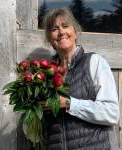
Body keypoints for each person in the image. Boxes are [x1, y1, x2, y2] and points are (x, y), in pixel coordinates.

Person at [41, 8, 120, 150]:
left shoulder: (94, 62)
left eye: (65, 26)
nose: (61, 32)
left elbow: (111, 113)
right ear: (50, 39)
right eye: (54, 29)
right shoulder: (46, 76)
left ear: (75, 32)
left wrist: (69, 103)